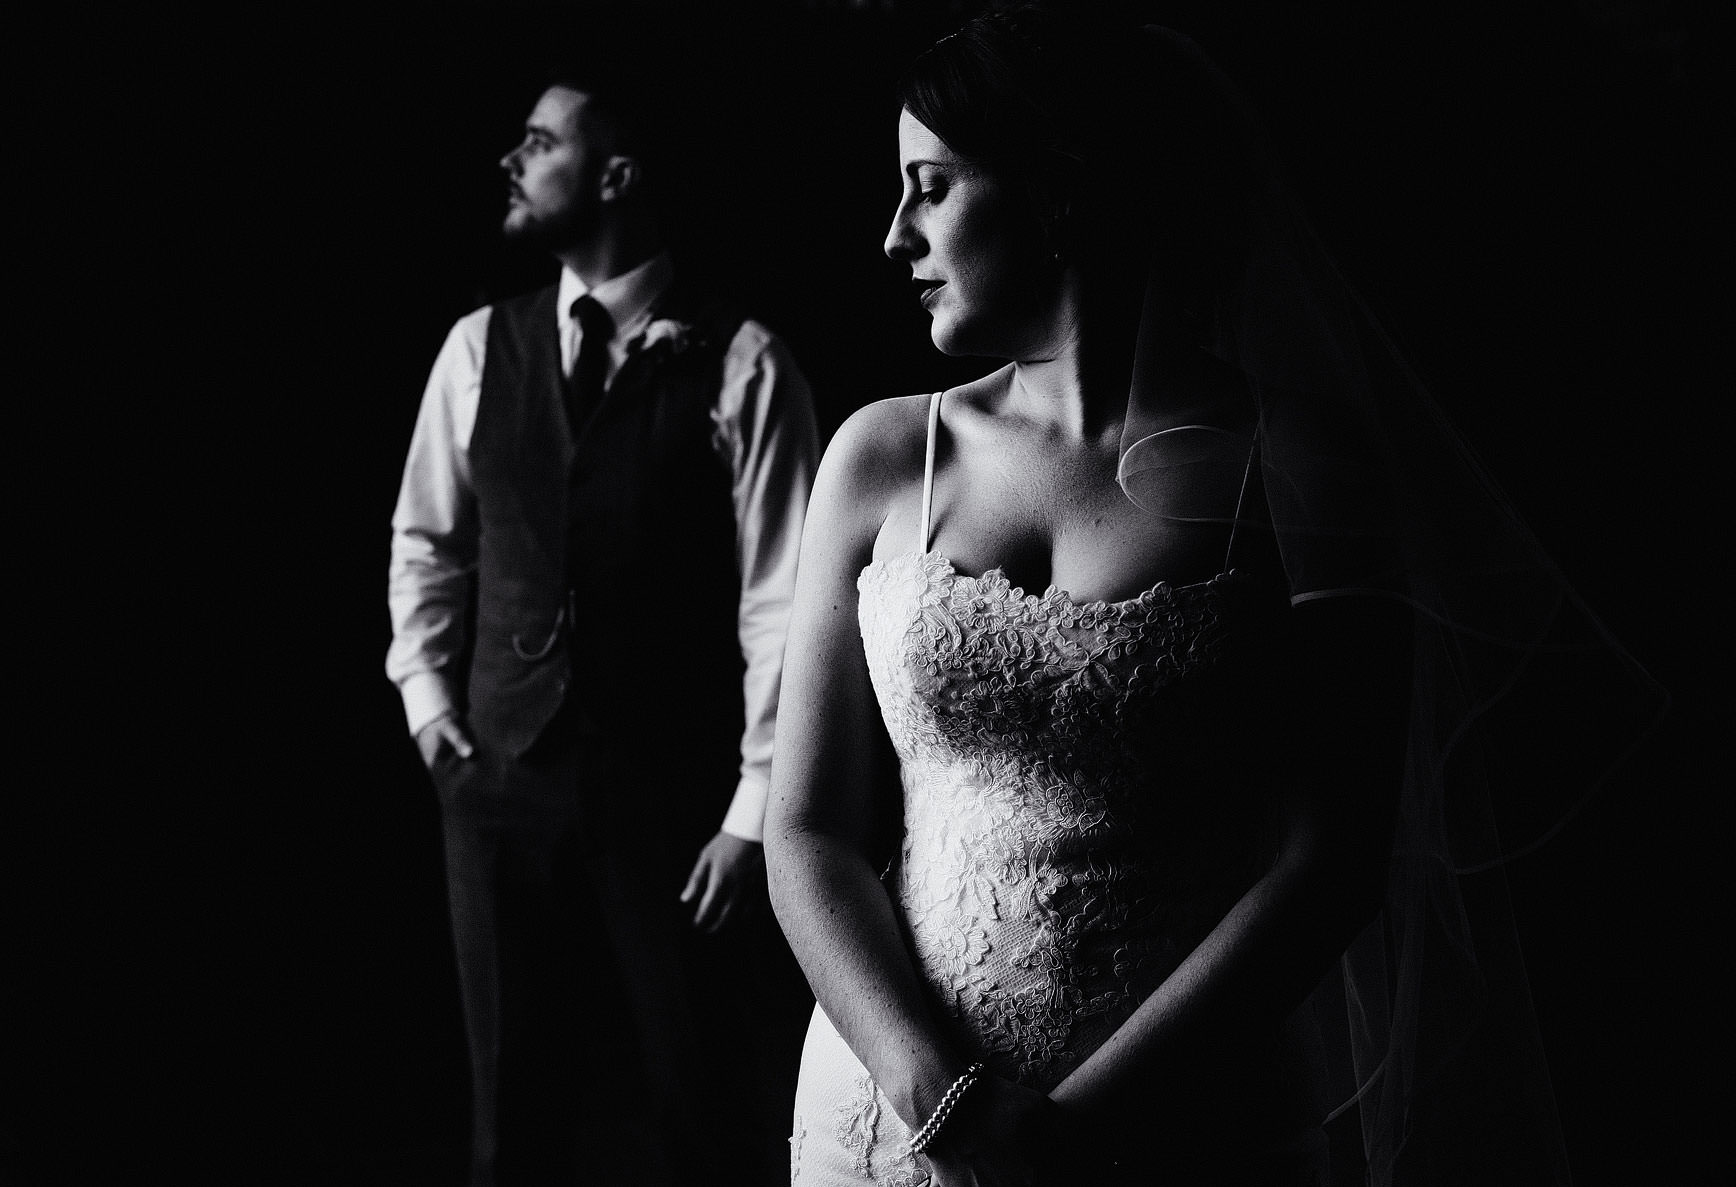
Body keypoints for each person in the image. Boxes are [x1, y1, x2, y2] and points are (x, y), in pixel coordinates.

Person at [764, 3, 1665, 1184]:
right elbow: (808, 828)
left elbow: (1332, 855)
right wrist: (938, 1095)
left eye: (928, 185)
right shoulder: (882, 456)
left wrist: (1068, 1132)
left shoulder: (1294, 469)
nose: (894, 237)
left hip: (1176, 1125)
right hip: (886, 1109)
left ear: (1057, 189)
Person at [385, 51, 820, 1187]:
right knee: (510, 1113)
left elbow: (785, 601)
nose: (511, 159)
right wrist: (433, 711)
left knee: (700, 1101)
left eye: (541, 141)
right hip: (497, 780)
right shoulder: (480, 345)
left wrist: (752, 806)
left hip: (673, 805)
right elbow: (428, 543)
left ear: (616, 174)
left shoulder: (745, 362)